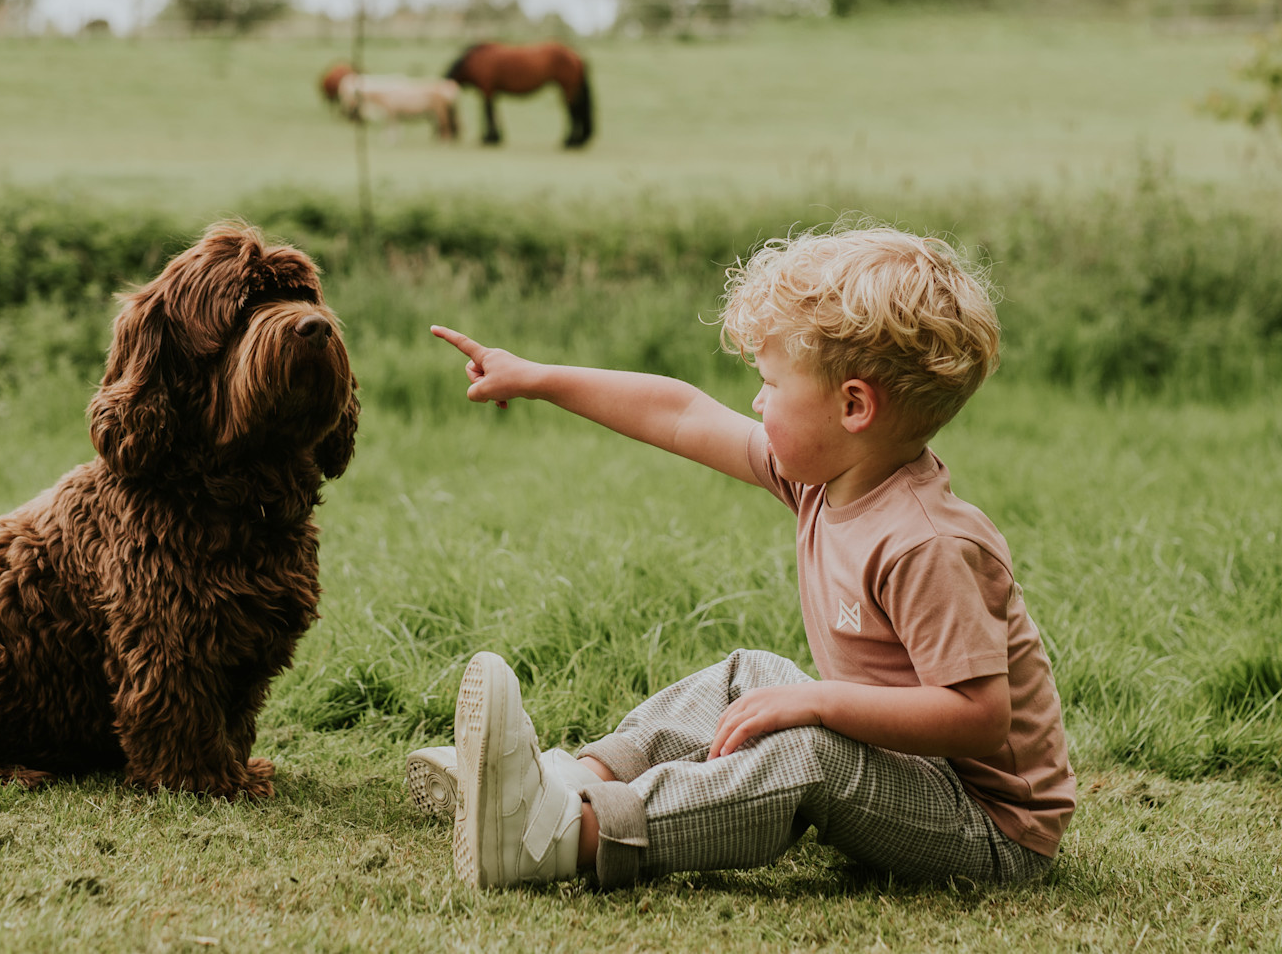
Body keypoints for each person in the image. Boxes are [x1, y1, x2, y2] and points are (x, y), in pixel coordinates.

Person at [404, 225, 1073, 890]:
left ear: (853, 405)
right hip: (905, 774)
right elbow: (681, 413)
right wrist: (540, 377)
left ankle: (557, 836)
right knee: (752, 674)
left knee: (808, 747)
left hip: (989, 828)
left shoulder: (928, 543)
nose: (756, 401)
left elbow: (979, 716)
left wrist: (821, 701)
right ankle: (563, 784)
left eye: (771, 382)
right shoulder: (825, 476)